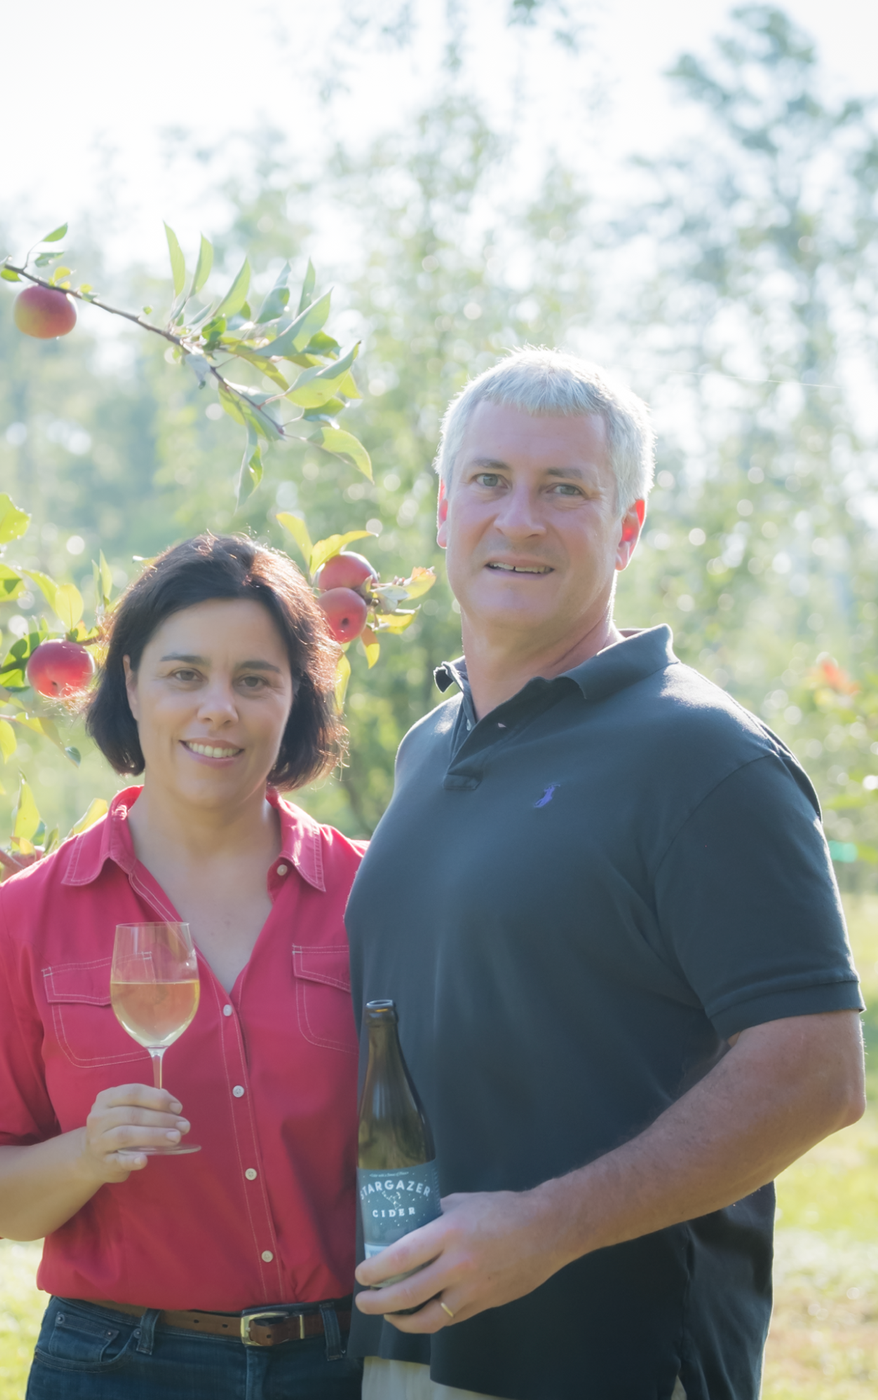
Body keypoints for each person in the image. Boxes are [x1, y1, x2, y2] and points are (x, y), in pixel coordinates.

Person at [344, 349, 866, 1400]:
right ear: (446, 508)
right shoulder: (425, 744)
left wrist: (547, 1225)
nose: (519, 518)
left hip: (612, 1356)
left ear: (627, 526)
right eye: (490, 480)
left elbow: (817, 1070)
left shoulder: (704, 758)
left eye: (565, 489)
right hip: (413, 1344)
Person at [0, 533, 366, 1399]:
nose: (218, 709)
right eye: (184, 674)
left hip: (343, 1364)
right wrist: (84, 1155)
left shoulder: (375, 895)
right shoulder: (29, 917)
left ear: (296, 699)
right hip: (118, 1367)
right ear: (129, 684)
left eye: (254, 680)